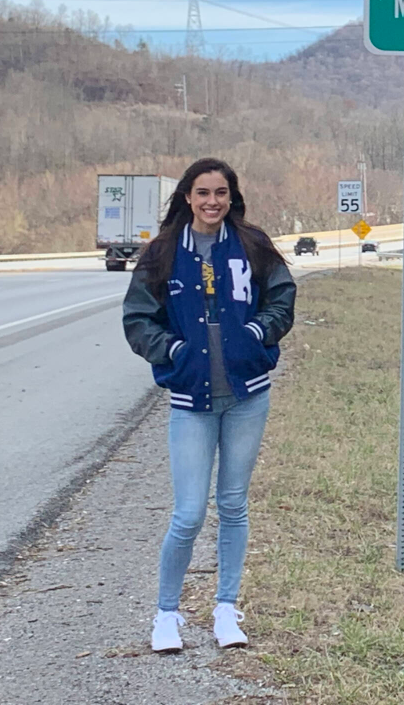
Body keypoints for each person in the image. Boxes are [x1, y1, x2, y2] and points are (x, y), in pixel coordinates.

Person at [122, 158, 295, 653]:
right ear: (186, 197)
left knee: (234, 504)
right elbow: (138, 319)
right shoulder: (161, 254)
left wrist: (258, 333)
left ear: (232, 196)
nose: (212, 202)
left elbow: (282, 298)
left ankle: (225, 609)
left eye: (221, 192)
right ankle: (166, 615)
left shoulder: (253, 245)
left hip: (247, 397)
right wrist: (173, 352)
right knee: (190, 512)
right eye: (202, 193)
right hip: (190, 403)